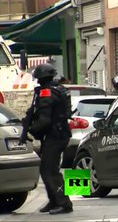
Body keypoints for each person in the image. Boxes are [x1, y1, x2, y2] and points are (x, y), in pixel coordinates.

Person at [21, 63, 73, 214]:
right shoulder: (59, 89)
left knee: (50, 170)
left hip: (55, 135)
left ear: (40, 78)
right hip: (59, 134)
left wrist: (32, 130)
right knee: (46, 169)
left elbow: (45, 120)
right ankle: (54, 200)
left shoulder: (46, 93)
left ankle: (64, 203)